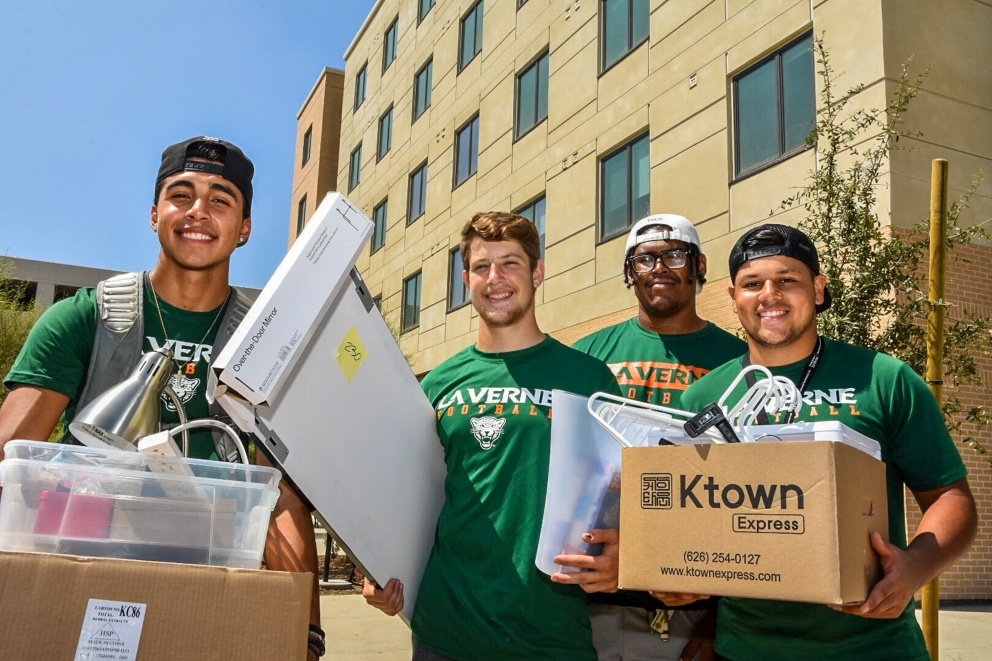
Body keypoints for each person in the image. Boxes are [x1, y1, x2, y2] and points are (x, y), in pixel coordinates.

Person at [0, 137, 326, 660]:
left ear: (244, 228)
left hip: (211, 587)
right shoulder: (85, 318)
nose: (198, 212)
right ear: (155, 214)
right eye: (182, 195)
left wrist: (305, 633)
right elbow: (10, 455)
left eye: (221, 199)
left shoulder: (265, 346)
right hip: (84, 579)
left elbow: (283, 497)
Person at [669, 223, 977, 660]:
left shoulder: (885, 380)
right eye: (752, 284)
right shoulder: (702, 399)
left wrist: (912, 569)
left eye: (787, 280)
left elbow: (950, 497)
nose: (769, 294)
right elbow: (688, 513)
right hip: (746, 648)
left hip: (874, 646)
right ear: (734, 299)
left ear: (817, 289)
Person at [363, 211, 623, 660]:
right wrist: (381, 566)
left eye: (511, 264)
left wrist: (626, 557)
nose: (495, 278)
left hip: (551, 637)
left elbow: (622, 496)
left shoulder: (587, 378)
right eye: (482, 267)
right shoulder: (437, 384)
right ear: (467, 279)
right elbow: (408, 498)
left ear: (538, 272)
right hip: (446, 633)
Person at [572, 214, 746, 660]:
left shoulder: (738, 360)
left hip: (696, 597)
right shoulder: (589, 356)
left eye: (674, 255)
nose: (660, 268)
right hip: (596, 597)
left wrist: (717, 619)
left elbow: (749, 489)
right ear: (630, 273)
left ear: (699, 265)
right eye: (645, 259)